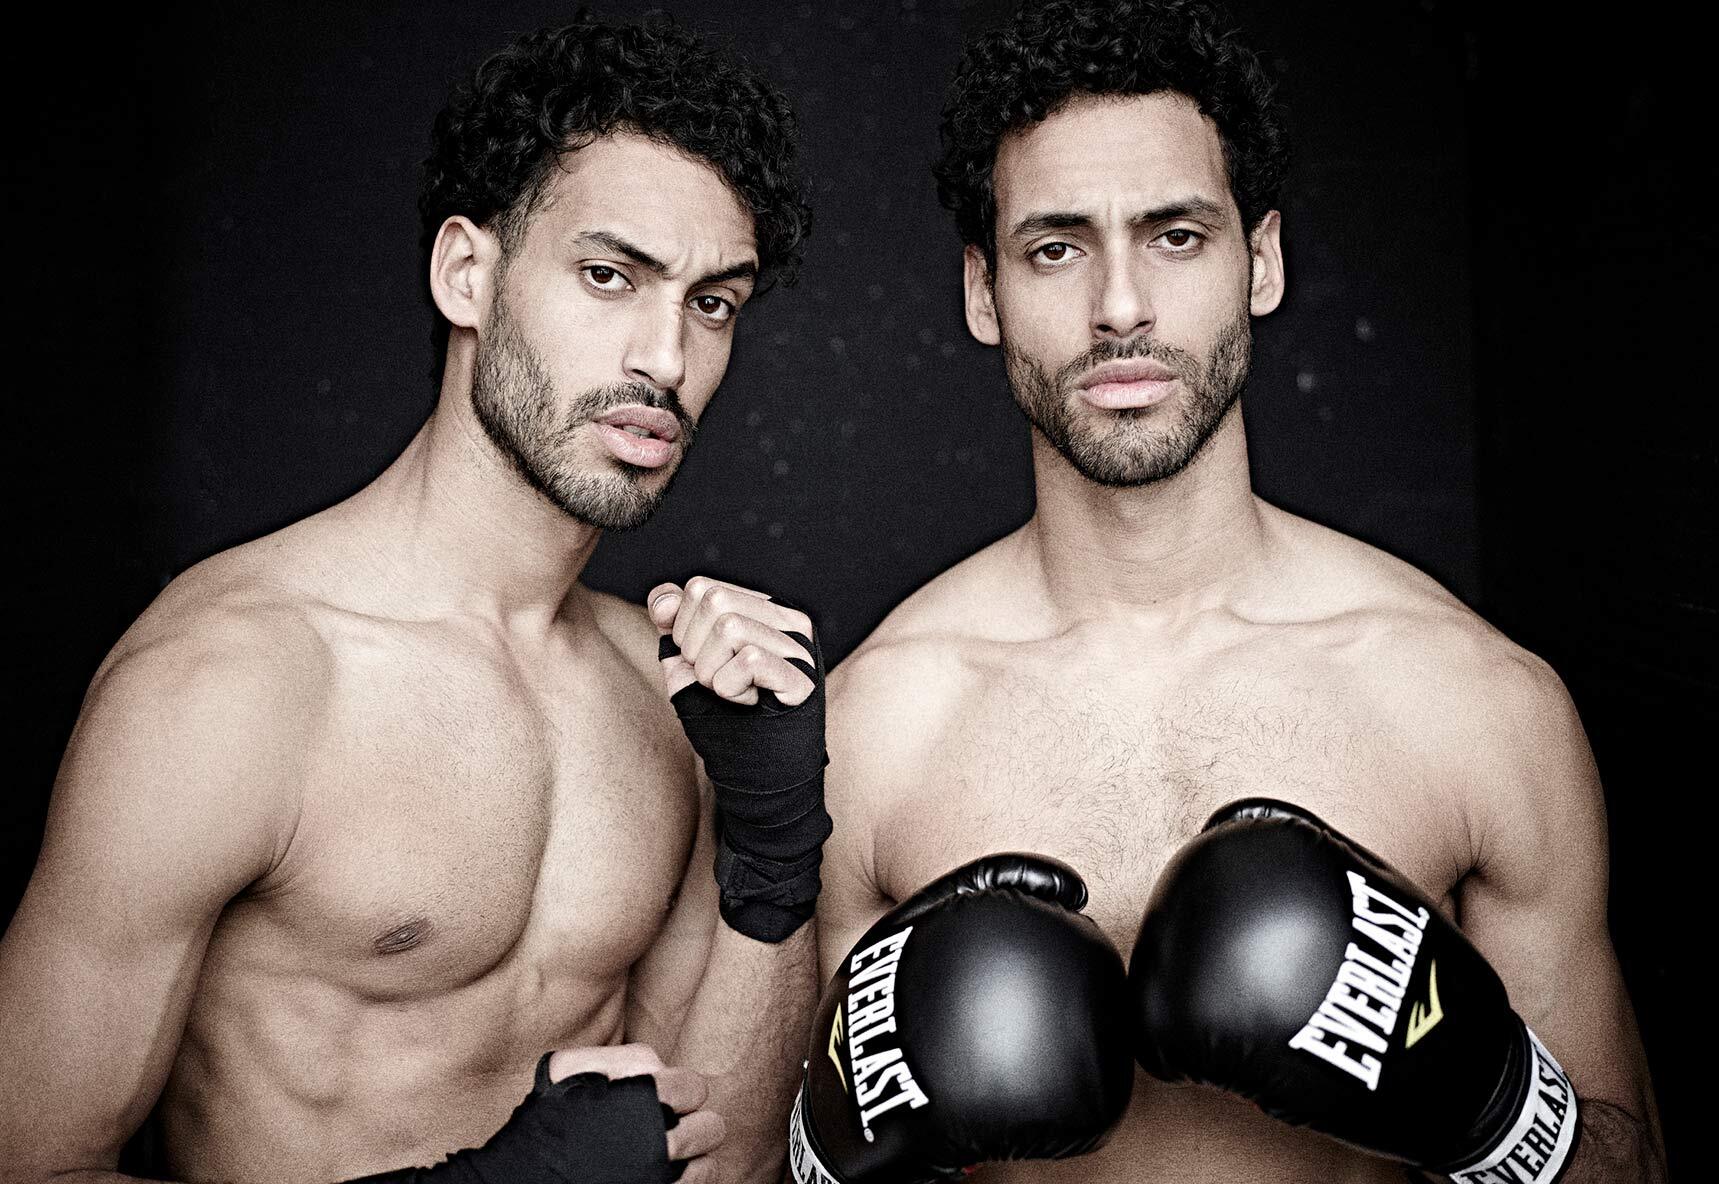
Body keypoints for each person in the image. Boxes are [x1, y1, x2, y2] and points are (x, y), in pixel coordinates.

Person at [816, 1, 1665, 1179]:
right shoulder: (871, 734)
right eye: (1056, 247)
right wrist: (826, 1143)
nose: (1120, 305)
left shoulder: (1475, 701)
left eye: (1176, 235)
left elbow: (1632, 1164)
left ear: (1260, 261)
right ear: (982, 290)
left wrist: (1488, 1099)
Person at [0, 16, 824, 1184]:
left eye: (713, 303)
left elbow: (723, 1163)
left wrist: (776, 853)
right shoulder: (237, 681)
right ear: (466, 275)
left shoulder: (663, 689)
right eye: (609, 276)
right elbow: (28, 1161)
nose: (665, 357)